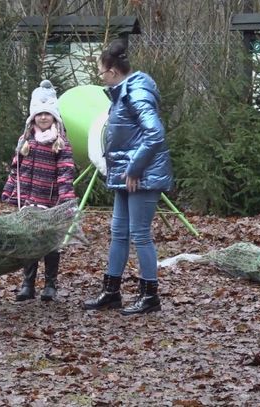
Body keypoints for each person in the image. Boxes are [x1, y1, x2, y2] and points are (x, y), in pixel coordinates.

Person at [83, 40, 173, 315]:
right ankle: (111, 292)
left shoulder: (136, 93)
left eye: (100, 72)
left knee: (140, 235)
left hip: (141, 177)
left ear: (112, 71)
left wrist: (135, 169)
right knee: (118, 233)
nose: (101, 78)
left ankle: (150, 296)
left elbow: (154, 134)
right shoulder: (123, 92)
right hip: (126, 175)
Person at [2, 80, 76, 302]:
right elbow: (16, 169)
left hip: (50, 202)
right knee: (29, 241)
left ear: (55, 117)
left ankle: (50, 285)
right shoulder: (25, 141)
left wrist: (66, 199)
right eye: (39, 114)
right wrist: (10, 192)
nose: (43, 118)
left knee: (51, 243)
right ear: (33, 117)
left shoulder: (60, 143)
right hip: (28, 201)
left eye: (48, 114)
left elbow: (65, 172)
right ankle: (28, 284)